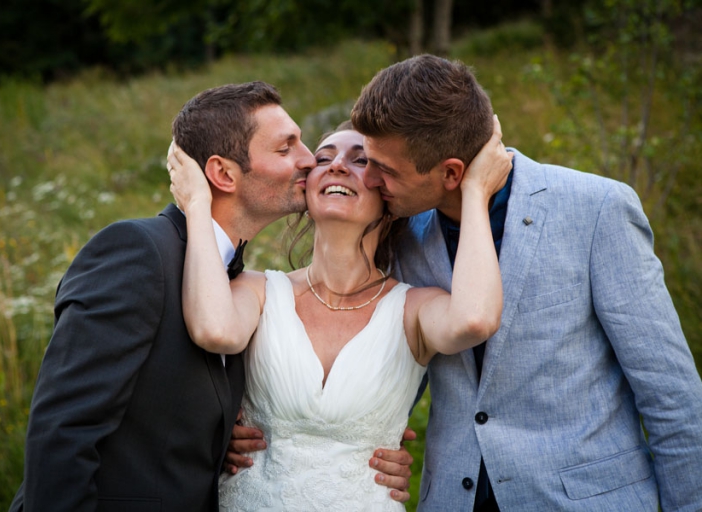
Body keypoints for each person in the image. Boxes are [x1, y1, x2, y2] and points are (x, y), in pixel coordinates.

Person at [8, 82, 407, 512]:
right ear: (223, 175)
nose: (309, 160)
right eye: (286, 147)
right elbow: (62, 428)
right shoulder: (138, 251)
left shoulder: (236, 285)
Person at [347, 55, 702, 511]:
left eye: (387, 170)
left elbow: (671, 396)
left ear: (452, 173)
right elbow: (387, 381)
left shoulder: (597, 209)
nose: (371, 181)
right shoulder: (401, 233)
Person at [166, 116, 512, 511]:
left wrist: (474, 191)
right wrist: (196, 204)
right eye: (324, 157)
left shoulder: (413, 309)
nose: (336, 165)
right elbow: (214, 330)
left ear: (390, 193)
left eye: (360, 160)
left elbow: (475, 320)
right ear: (307, 188)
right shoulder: (259, 290)